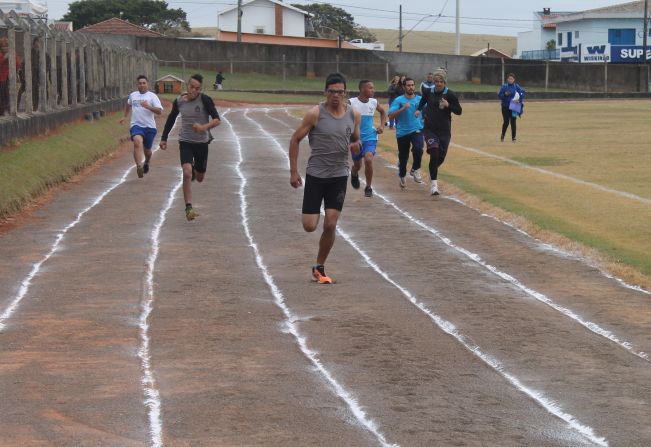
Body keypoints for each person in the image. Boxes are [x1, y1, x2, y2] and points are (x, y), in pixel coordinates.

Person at [289, 72, 361, 284]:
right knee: (310, 226)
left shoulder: (354, 114)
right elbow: (295, 140)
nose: (336, 96)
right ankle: (314, 212)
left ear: (345, 93)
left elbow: (355, 139)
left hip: (338, 176)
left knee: (330, 224)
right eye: (332, 92)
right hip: (316, 175)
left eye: (340, 92)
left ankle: (319, 266)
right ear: (325, 92)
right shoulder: (315, 114)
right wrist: (294, 171)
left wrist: (357, 146)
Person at [160, 73, 221, 221]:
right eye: (191, 87)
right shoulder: (179, 101)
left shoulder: (205, 100)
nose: (193, 90)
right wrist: (164, 138)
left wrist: (203, 127)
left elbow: (217, 120)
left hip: (201, 143)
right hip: (185, 141)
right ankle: (188, 208)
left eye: (197, 88)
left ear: (200, 89)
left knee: (199, 177)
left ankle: (196, 170)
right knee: (187, 173)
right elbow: (171, 118)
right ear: (187, 86)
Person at [416, 69, 462, 196]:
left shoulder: (450, 94)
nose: (438, 84)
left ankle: (432, 173)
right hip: (430, 129)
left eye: (441, 81)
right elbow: (422, 101)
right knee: (434, 153)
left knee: (440, 158)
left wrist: (448, 105)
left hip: (445, 131)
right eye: (436, 81)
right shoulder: (428, 91)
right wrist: (419, 110)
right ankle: (434, 186)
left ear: (444, 82)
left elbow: (459, 111)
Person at [120, 75, 163, 178]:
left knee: (147, 151)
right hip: (136, 125)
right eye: (140, 83)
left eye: (144, 83)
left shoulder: (152, 96)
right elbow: (128, 104)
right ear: (137, 84)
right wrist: (125, 117)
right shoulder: (133, 95)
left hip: (150, 127)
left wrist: (148, 106)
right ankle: (139, 166)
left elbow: (159, 111)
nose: (142, 85)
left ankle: (147, 161)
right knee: (137, 142)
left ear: (147, 84)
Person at [349, 80, 387, 198]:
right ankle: (354, 173)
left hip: (370, 136)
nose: (373, 90)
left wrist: (381, 125)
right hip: (356, 138)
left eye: (373, 88)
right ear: (362, 89)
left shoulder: (374, 102)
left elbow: (383, 112)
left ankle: (368, 187)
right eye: (370, 88)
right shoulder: (351, 102)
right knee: (357, 165)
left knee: (369, 159)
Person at [388, 77, 424, 188]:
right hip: (402, 132)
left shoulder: (420, 99)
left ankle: (415, 169)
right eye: (408, 85)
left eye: (412, 85)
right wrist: (403, 108)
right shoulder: (399, 100)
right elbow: (391, 115)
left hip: (416, 129)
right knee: (403, 158)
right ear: (404, 87)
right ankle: (402, 175)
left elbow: (431, 109)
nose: (411, 87)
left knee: (418, 149)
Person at [498, 73, 525, 142]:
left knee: (513, 122)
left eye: (512, 79)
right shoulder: (504, 86)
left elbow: (522, 93)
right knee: (506, 121)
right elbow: (499, 95)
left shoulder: (516, 87)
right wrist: (504, 94)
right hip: (505, 106)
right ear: (507, 79)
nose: (510, 80)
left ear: (514, 80)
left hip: (514, 106)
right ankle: (502, 135)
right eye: (509, 79)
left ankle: (514, 138)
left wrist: (520, 97)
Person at [0, 37, 20, 116]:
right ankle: (2, 111)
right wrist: (4, 58)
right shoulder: (1, 54)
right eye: (3, 46)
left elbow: (17, 64)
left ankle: (8, 110)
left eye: (6, 46)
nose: (5, 48)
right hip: (1, 78)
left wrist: (17, 70)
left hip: (8, 78)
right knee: (2, 94)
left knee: (8, 94)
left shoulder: (12, 54)